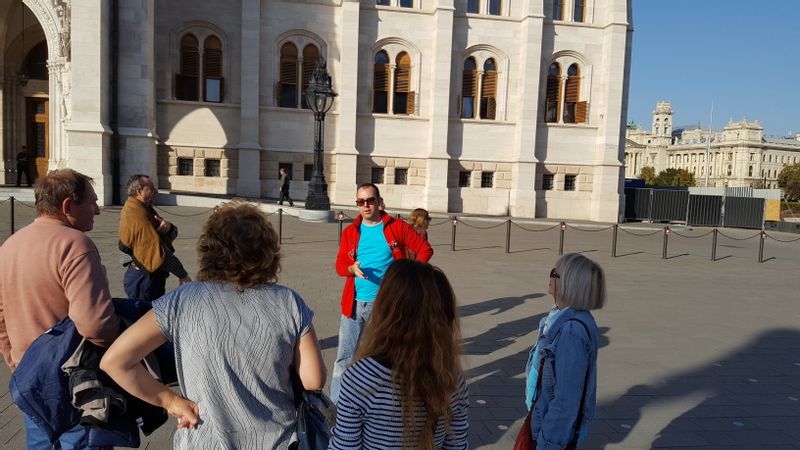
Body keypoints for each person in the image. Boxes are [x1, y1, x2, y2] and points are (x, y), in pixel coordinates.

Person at [101, 200, 326, 449]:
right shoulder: (288, 301)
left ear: (210, 250)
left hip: (204, 437)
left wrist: (169, 400)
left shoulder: (182, 300)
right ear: (268, 251)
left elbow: (115, 361)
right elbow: (313, 380)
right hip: (276, 440)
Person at [0, 169, 121, 448]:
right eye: (91, 202)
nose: (97, 210)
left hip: (29, 377)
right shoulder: (74, 244)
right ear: (68, 206)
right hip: (72, 382)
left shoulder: (10, 245)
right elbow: (95, 325)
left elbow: (2, 315)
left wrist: (16, 361)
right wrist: (122, 348)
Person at [329, 259, 469, 449]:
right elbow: (457, 446)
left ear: (384, 311)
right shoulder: (451, 378)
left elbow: (345, 447)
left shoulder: (359, 378)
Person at [332, 183, 433, 403]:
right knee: (344, 358)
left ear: (379, 202)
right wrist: (350, 269)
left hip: (386, 306)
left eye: (370, 200)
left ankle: (382, 405)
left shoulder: (396, 227)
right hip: (354, 305)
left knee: (384, 359)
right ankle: (337, 408)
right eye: (361, 202)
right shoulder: (351, 232)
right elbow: (339, 266)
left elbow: (425, 249)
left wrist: (408, 277)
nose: (366, 206)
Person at [521, 253, 605, 449]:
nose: (549, 278)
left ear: (569, 284)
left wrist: (549, 443)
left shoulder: (571, 332)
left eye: (554, 273)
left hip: (550, 434)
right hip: (540, 418)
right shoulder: (559, 318)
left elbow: (566, 401)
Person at [119, 174, 191, 301]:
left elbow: (163, 238)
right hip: (144, 279)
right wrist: (182, 275)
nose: (156, 191)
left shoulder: (142, 208)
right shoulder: (137, 214)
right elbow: (158, 251)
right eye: (151, 188)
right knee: (145, 316)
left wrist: (168, 228)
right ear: (139, 191)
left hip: (146, 277)